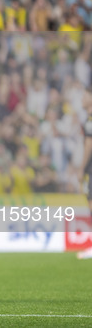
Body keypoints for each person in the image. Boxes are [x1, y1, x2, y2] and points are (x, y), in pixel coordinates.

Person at [77, 88, 92, 259]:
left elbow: (89, 144)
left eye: (85, 96)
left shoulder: (90, 120)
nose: (82, 98)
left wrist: (81, 168)